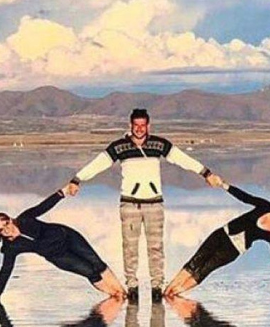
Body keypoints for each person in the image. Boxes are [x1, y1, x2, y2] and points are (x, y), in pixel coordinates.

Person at [68, 108, 222, 303]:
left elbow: (182, 159)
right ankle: (132, 285)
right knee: (130, 248)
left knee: (156, 247)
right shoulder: (120, 147)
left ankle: (157, 285)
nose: (139, 129)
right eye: (136, 125)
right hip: (130, 205)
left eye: (143, 125)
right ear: (130, 126)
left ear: (148, 125)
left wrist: (206, 173)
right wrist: (77, 179)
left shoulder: (159, 144)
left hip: (154, 204)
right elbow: (98, 164)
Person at [164, 182, 270, 297]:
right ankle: (167, 290)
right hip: (223, 233)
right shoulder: (266, 206)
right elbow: (245, 197)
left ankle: (175, 293)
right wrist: (224, 185)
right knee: (196, 260)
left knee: (205, 269)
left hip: (233, 250)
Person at [0, 187, 125, 301]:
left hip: (67, 236)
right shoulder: (11, 247)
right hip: (57, 255)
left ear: (10, 220)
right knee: (90, 272)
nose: (6, 229)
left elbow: (43, 207)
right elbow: (5, 270)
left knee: (97, 264)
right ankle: (115, 295)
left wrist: (62, 192)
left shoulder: (25, 219)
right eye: (1, 229)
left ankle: (123, 293)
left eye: (6, 224)